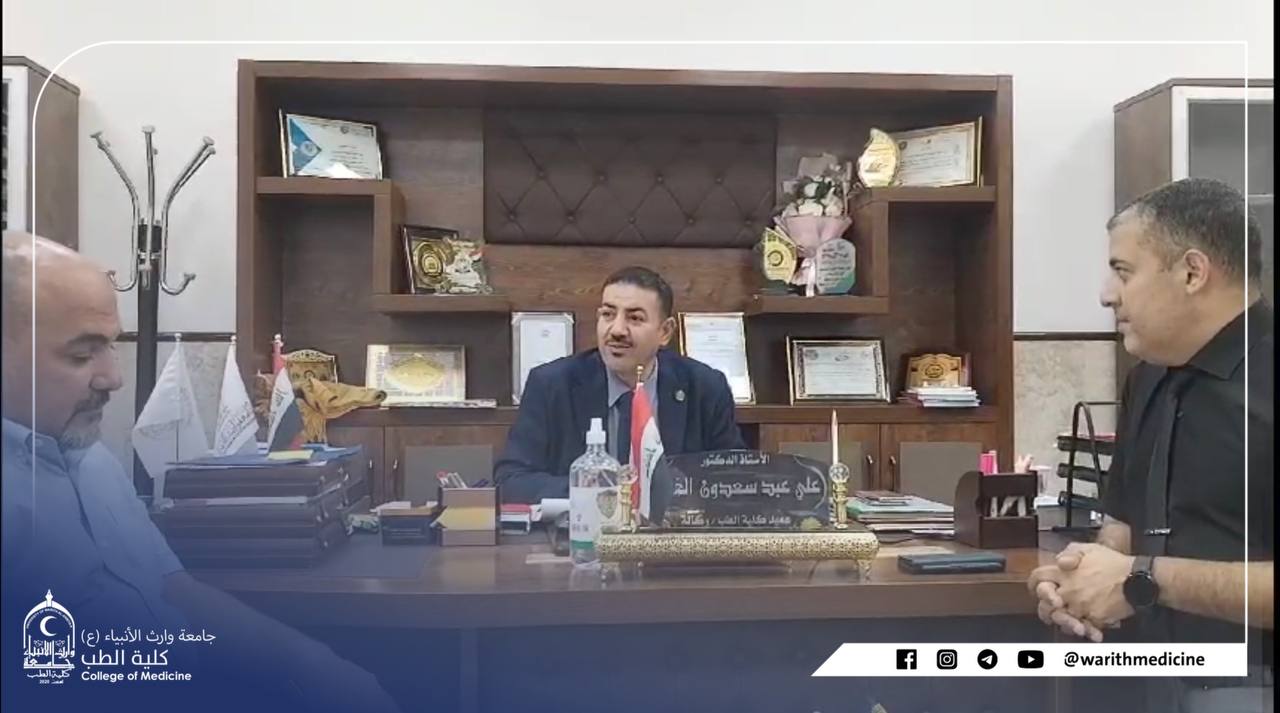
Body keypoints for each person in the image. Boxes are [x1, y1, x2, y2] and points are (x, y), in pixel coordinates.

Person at [0, 232, 402, 713]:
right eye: (81, 355)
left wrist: (313, 666)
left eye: (111, 347)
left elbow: (173, 590)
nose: (114, 378)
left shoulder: (90, 458)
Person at [1027, 179, 1273, 712]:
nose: (1106, 294)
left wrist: (1142, 580)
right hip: (1148, 682)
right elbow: (1122, 530)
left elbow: (1137, 573)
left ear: (1192, 272)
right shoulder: (1147, 378)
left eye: (1123, 272)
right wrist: (1080, 581)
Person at [496, 266, 744, 503]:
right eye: (608, 314)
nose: (616, 330)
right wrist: (600, 491)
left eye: (635, 318)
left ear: (665, 332)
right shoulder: (552, 385)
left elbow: (734, 480)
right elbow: (512, 481)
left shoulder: (705, 387)